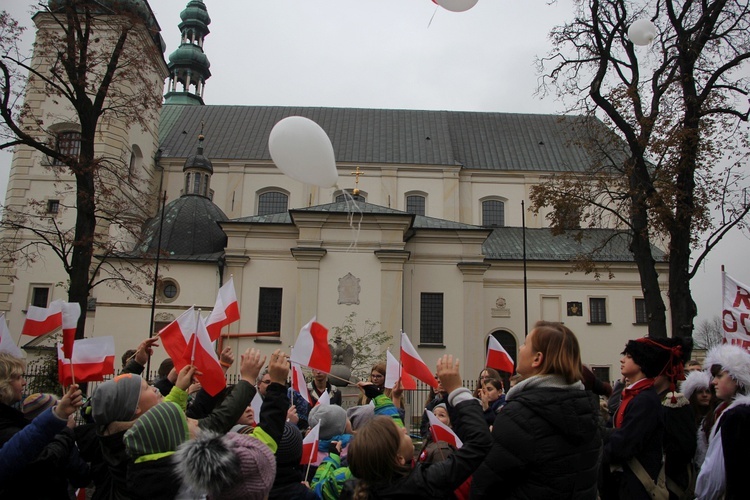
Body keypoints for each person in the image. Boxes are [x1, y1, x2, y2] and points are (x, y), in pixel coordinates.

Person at [471, 321, 602, 499]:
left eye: (525, 343)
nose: (520, 348)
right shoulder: (587, 409)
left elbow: (485, 486)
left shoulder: (519, 415)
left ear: (537, 359)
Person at [344, 354, 492, 499]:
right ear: (399, 459)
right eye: (401, 434)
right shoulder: (425, 483)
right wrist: (457, 391)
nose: (403, 428)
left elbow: (391, 421)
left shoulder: (353, 489)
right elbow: (479, 443)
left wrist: (377, 395)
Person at [0, 352, 89, 497]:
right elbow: (45, 462)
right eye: (18, 377)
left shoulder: (11, 420)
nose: (24, 382)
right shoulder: (6, 429)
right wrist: (64, 430)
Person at [601, 337, 677, 500]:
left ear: (641, 362)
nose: (622, 359)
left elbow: (625, 443)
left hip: (635, 487)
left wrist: (597, 453)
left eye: (628, 356)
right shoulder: (636, 396)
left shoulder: (645, 400)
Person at [694, 344, 750, 499]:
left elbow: (715, 473)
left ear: (737, 378)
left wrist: (702, 495)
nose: (713, 382)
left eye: (719, 376)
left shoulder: (735, 416)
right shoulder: (730, 412)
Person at [0, 383, 83, 484]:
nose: (23, 382)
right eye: (17, 377)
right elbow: (48, 460)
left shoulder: (14, 425)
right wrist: (66, 431)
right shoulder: (9, 430)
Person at [681, 369, 714, 470]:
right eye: (700, 392)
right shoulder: (686, 417)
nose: (704, 395)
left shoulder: (715, 416)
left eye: (708, 391)